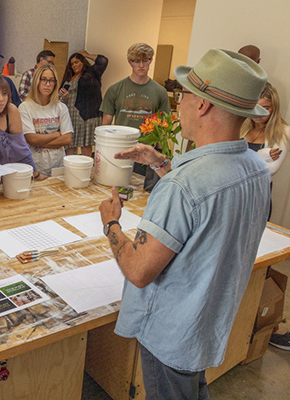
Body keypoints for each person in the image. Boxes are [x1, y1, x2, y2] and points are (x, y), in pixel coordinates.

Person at [98, 49, 270, 399]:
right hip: (205, 322)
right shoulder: (255, 169)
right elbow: (207, 213)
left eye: (184, 95)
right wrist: (162, 164)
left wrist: (111, 224)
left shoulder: (184, 188)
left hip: (170, 334)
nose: (178, 105)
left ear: (203, 105)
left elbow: (139, 270)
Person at [100, 43, 170, 190]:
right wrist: (103, 154)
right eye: (136, 61)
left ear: (151, 60)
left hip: (147, 154)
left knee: (143, 194)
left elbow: (163, 130)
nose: (141, 65)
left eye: (146, 60)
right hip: (122, 149)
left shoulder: (160, 92)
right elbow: (105, 126)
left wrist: (160, 155)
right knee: (116, 191)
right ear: (129, 62)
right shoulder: (115, 90)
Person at [19, 64, 72, 176]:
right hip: (36, 167)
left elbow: (67, 139)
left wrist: (40, 142)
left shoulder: (61, 107)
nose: (48, 84)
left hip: (58, 165)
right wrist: (56, 135)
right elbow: (31, 139)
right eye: (44, 80)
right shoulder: (25, 107)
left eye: (51, 81)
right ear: (36, 81)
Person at [59, 50, 108, 156]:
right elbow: (58, 99)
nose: (74, 65)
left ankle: (87, 170)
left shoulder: (92, 73)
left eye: (77, 62)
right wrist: (63, 97)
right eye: (72, 64)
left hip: (86, 114)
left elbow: (103, 61)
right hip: (69, 115)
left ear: (83, 61)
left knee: (85, 145)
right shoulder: (68, 78)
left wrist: (86, 55)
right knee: (69, 145)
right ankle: (70, 169)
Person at [241, 85, 289, 177]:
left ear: (274, 108)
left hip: (259, 188)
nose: (258, 113)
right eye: (255, 107)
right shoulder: (241, 124)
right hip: (234, 187)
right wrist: (262, 155)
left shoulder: (284, 131)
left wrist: (237, 161)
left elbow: (271, 169)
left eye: (265, 108)